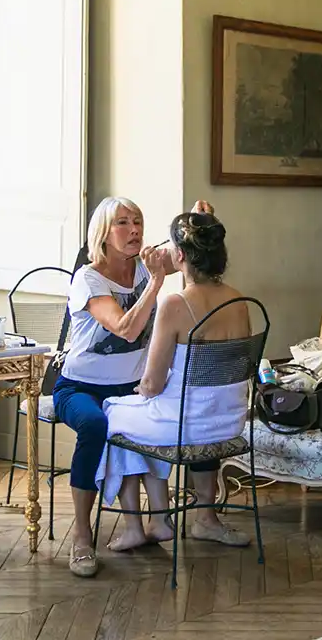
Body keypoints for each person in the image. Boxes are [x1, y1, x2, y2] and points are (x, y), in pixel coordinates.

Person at [94, 207, 255, 548]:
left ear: (179, 255)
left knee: (114, 413)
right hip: (229, 422)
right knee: (165, 410)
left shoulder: (174, 304)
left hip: (185, 425)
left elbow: (151, 385)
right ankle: (206, 520)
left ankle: (142, 526)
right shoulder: (241, 301)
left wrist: (142, 388)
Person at [55, 196, 168, 578]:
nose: (134, 229)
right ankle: (83, 537)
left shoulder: (143, 266)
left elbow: (188, 250)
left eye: (138, 221)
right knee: (94, 426)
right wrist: (154, 282)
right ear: (104, 233)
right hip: (79, 388)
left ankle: (158, 522)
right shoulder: (88, 278)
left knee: (171, 407)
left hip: (128, 389)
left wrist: (201, 219)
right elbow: (125, 328)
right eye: (123, 223)